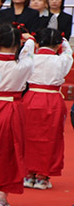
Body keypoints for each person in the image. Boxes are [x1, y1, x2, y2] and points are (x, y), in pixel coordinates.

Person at [0, 24, 35, 206]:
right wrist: (28, 39)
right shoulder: (23, 64)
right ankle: (2, 197)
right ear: (16, 44)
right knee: (10, 151)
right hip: (12, 108)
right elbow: (30, 48)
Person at [22, 29, 71, 191]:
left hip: (31, 97)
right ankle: (43, 176)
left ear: (38, 43)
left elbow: (26, 50)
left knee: (28, 136)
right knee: (51, 137)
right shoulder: (61, 60)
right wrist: (63, 41)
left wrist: (30, 41)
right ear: (57, 45)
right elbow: (68, 52)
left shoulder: (31, 58)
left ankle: (28, 174)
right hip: (52, 99)